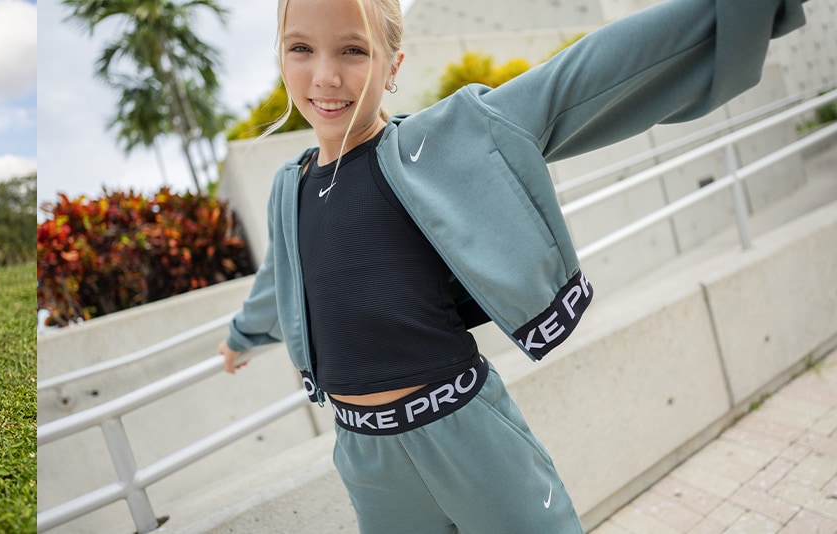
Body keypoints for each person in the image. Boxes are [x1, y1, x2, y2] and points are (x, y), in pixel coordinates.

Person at [216, 0, 807, 531]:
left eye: (353, 49)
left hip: (466, 435)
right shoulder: (286, 188)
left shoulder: (438, 144)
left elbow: (579, 79)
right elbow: (283, 278)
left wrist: (737, 10)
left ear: (394, 65)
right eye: (301, 48)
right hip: (364, 456)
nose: (324, 75)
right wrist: (243, 335)